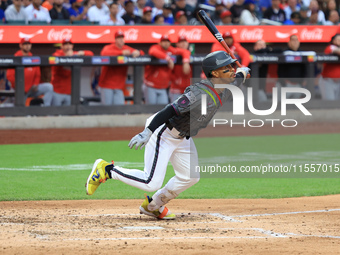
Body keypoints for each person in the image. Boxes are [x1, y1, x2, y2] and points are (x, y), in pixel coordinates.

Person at [85, 51, 251, 220]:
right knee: (151, 182)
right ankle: (107, 170)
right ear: (215, 73)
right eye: (227, 67)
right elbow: (170, 109)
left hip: (183, 136)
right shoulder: (200, 93)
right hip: (164, 131)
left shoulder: (226, 87)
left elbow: (237, 79)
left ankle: (153, 206)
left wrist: (242, 73)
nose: (232, 69)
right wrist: (148, 131)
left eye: (232, 66)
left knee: (190, 176)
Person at [99, 30, 143, 105]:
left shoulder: (126, 48)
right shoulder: (109, 47)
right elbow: (104, 53)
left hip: (119, 86)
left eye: (122, 37)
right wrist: (121, 53)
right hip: (106, 85)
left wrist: (137, 52)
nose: (121, 39)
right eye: (119, 38)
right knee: (107, 110)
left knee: (120, 109)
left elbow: (141, 52)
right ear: (115, 40)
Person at [144, 35, 191, 105]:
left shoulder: (171, 49)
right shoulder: (156, 47)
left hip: (163, 87)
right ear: (159, 43)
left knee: (163, 109)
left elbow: (185, 52)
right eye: (163, 41)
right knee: (150, 110)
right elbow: (153, 51)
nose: (166, 43)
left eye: (167, 41)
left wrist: (186, 61)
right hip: (150, 85)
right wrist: (168, 58)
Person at [6, 38, 54, 106]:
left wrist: (35, 84)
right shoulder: (16, 57)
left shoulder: (33, 58)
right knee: (16, 108)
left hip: (31, 89)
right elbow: (10, 76)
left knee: (49, 87)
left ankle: (45, 109)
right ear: (21, 46)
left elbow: (37, 74)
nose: (27, 46)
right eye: (25, 44)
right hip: (18, 89)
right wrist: (19, 87)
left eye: (28, 44)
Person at [51, 38, 94, 106]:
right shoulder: (57, 54)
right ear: (61, 46)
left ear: (72, 46)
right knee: (55, 113)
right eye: (65, 44)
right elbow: (55, 63)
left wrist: (81, 53)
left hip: (69, 92)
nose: (68, 46)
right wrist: (66, 57)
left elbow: (91, 54)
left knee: (68, 113)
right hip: (57, 91)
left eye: (69, 44)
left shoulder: (74, 54)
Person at [277, 34, 306, 99]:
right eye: (293, 40)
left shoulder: (302, 53)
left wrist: (302, 82)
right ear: (289, 43)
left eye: (296, 40)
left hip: (297, 85)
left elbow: (305, 69)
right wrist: (283, 83)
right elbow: (280, 70)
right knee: (280, 105)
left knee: (295, 106)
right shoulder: (284, 53)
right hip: (285, 85)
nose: (295, 42)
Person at [169, 35, 191, 102]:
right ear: (177, 44)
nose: (183, 44)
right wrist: (186, 61)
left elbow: (186, 71)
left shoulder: (190, 54)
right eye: (181, 42)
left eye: (185, 42)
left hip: (188, 90)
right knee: (175, 111)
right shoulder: (173, 53)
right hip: (176, 90)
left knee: (189, 111)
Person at [319, 34, 340, 100]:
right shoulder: (330, 47)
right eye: (338, 39)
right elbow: (338, 51)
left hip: (338, 82)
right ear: (333, 41)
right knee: (329, 103)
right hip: (328, 81)